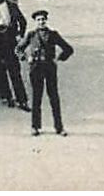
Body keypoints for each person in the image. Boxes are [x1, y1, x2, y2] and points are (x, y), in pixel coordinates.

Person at [16, 8, 73, 136]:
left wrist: (59, 58)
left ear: (46, 20)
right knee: (36, 98)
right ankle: (35, 127)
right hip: (35, 68)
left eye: (43, 19)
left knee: (54, 97)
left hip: (49, 68)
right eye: (38, 20)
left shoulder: (53, 35)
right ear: (35, 22)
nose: (41, 22)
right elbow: (19, 49)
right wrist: (25, 57)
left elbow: (68, 49)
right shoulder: (31, 35)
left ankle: (59, 127)